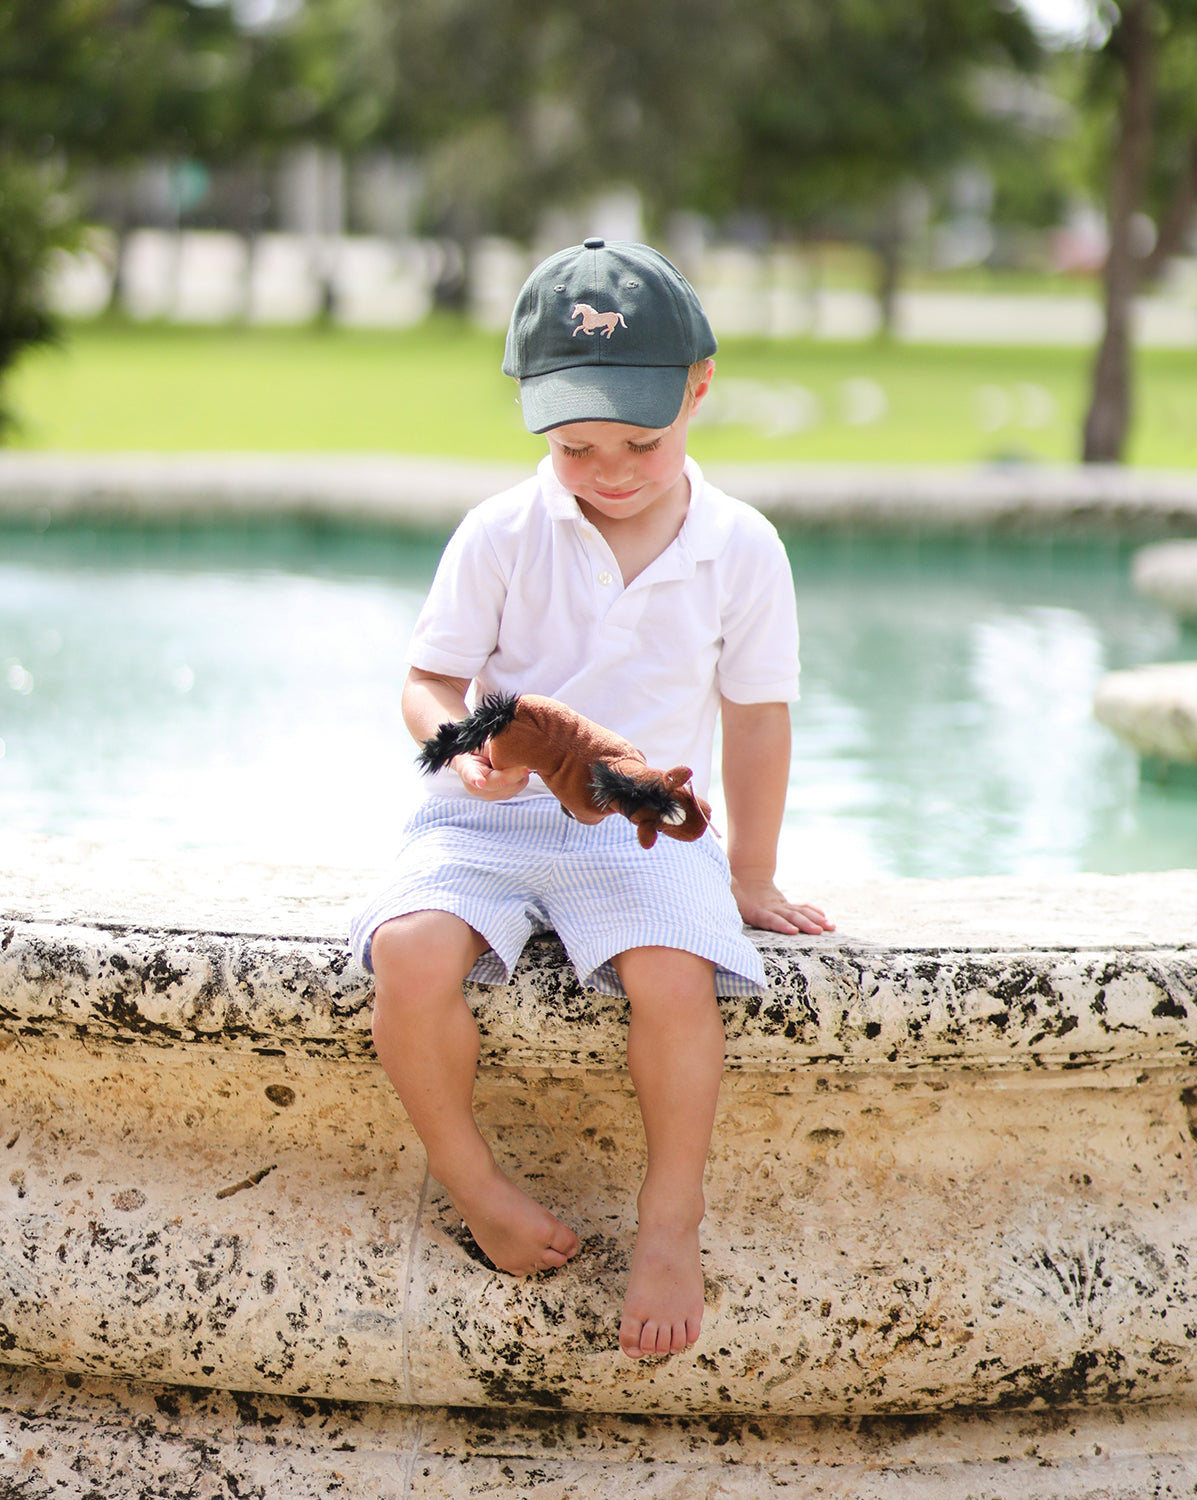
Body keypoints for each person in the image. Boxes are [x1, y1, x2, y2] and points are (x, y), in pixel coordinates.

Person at [350, 237, 834, 1360]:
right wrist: (460, 750)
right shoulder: (501, 533)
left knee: (675, 983)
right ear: (531, 413)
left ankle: (672, 1224)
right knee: (411, 954)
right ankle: (471, 1182)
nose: (611, 469)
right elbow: (428, 680)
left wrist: (751, 875)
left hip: (639, 819)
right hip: (492, 812)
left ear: (700, 388)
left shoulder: (740, 549)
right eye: (576, 446)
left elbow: (758, 716)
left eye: (641, 442)